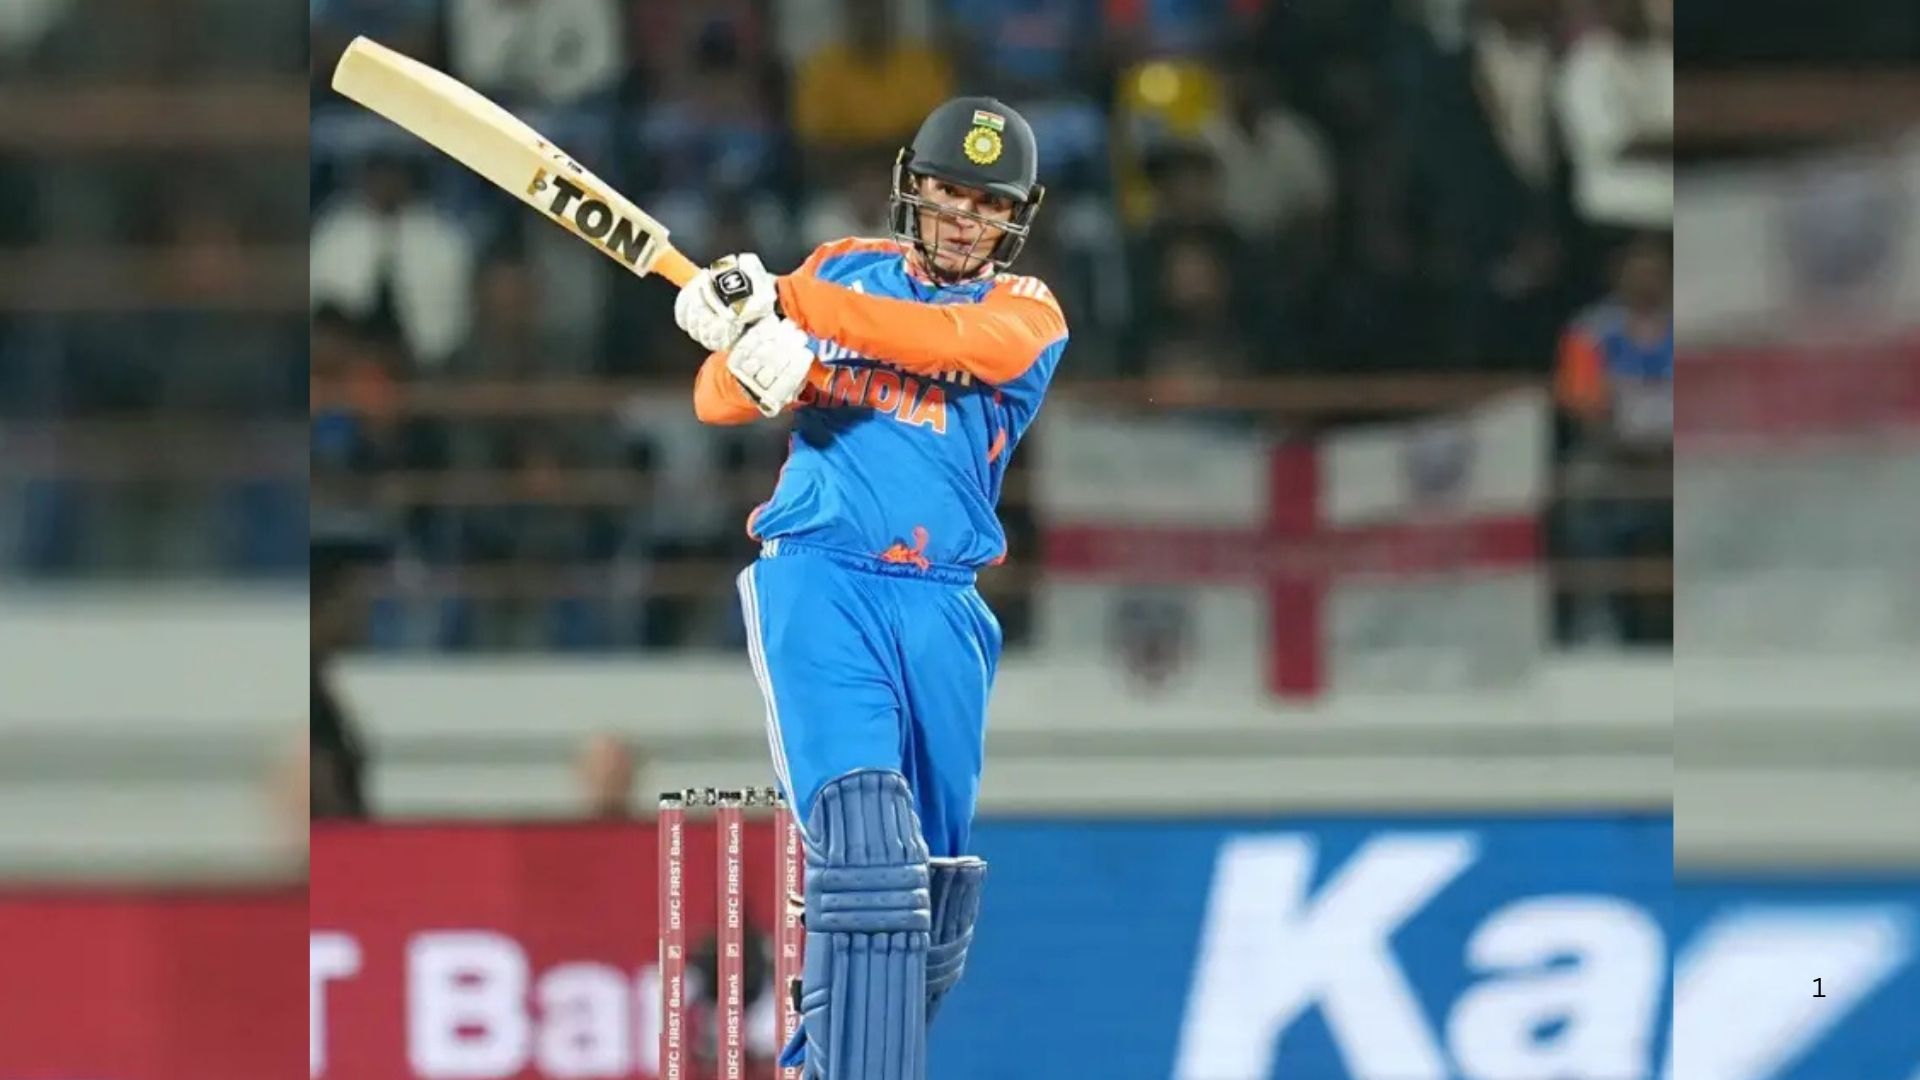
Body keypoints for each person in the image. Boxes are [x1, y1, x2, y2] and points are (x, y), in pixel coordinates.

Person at [671, 96, 1065, 1079]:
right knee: (871, 853)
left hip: (943, 604)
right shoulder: (841, 267)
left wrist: (787, 308)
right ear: (911, 187)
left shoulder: (1028, 311)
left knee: (930, 903)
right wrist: (753, 364)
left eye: (990, 201)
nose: (967, 217)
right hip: (822, 581)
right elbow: (716, 398)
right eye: (949, 193)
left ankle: (821, 1066)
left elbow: (951, 349)